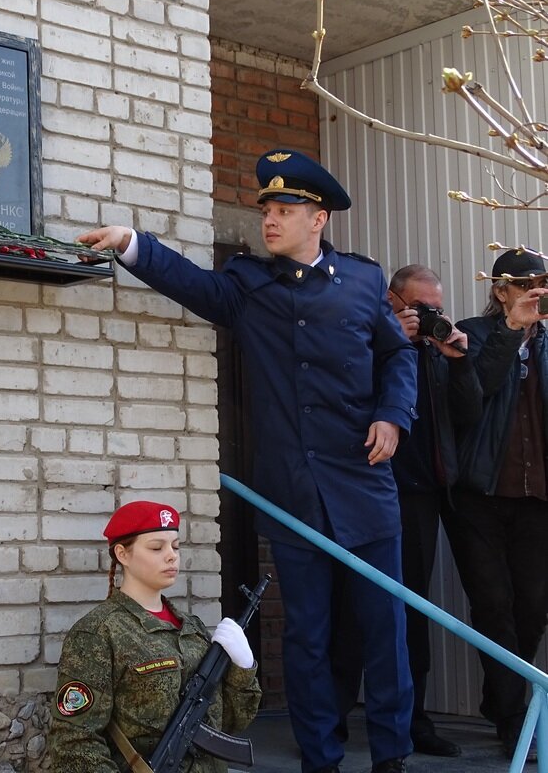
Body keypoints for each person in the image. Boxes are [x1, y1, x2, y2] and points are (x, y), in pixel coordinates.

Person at [79, 149, 417, 773]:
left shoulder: (366, 281)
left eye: (284, 210)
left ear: (318, 218)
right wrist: (133, 244)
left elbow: (399, 356)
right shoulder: (248, 284)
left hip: (365, 485)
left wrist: (393, 414)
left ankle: (393, 755)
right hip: (292, 493)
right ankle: (322, 757)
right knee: (307, 636)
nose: (270, 219)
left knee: (383, 630)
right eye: (266, 208)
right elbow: (193, 285)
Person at [332, 264, 482, 757]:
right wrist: (390, 340)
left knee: (412, 611)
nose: (429, 316)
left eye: (436, 308)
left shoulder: (438, 353)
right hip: (368, 488)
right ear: (394, 301)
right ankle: (332, 720)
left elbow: (470, 416)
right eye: (420, 308)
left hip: (421, 498)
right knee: (351, 609)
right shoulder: (369, 336)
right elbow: (343, 391)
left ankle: (413, 721)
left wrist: (457, 360)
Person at [47, 500, 261, 772]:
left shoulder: (191, 628)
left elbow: (229, 722)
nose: (171, 556)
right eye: (156, 548)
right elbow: (73, 743)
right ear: (122, 554)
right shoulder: (98, 634)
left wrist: (243, 669)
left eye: (175, 546)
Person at [444, 248, 548, 762]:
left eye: (543, 283)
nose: (536, 292)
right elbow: (472, 397)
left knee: (533, 608)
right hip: (479, 496)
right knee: (494, 608)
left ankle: (500, 701)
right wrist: (511, 329)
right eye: (524, 284)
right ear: (500, 290)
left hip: (538, 500)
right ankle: (511, 720)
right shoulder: (472, 333)